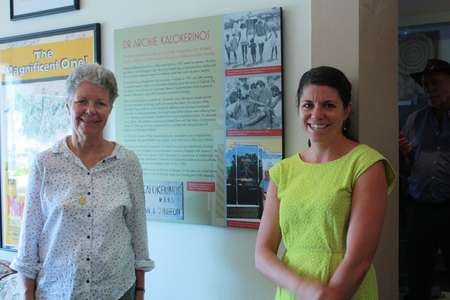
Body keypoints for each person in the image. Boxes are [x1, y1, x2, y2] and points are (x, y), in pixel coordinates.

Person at [10, 64, 154, 300]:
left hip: (117, 290)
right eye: (82, 101)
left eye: (100, 103)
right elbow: (29, 240)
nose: (91, 110)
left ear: (110, 109)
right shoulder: (45, 163)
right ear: (68, 104)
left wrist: (140, 292)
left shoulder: (127, 163)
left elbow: (138, 233)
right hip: (57, 291)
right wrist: (27, 293)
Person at [255, 66, 395, 300]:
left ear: (346, 110)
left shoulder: (366, 164)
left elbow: (359, 259)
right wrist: (302, 288)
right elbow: (262, 254)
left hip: (344, 291)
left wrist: (329, 296)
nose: (316, 114)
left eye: (329, 105)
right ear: (298, 109)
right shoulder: (283, 171)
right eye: (308, 105)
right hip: (292, 292)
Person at [400, 58, 450, 300]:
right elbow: (411, 165)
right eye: (426, 84)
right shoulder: (414, 120)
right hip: (420, 209)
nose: (429, 89)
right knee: (417, 274)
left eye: (436, 83)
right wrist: (405, 155)